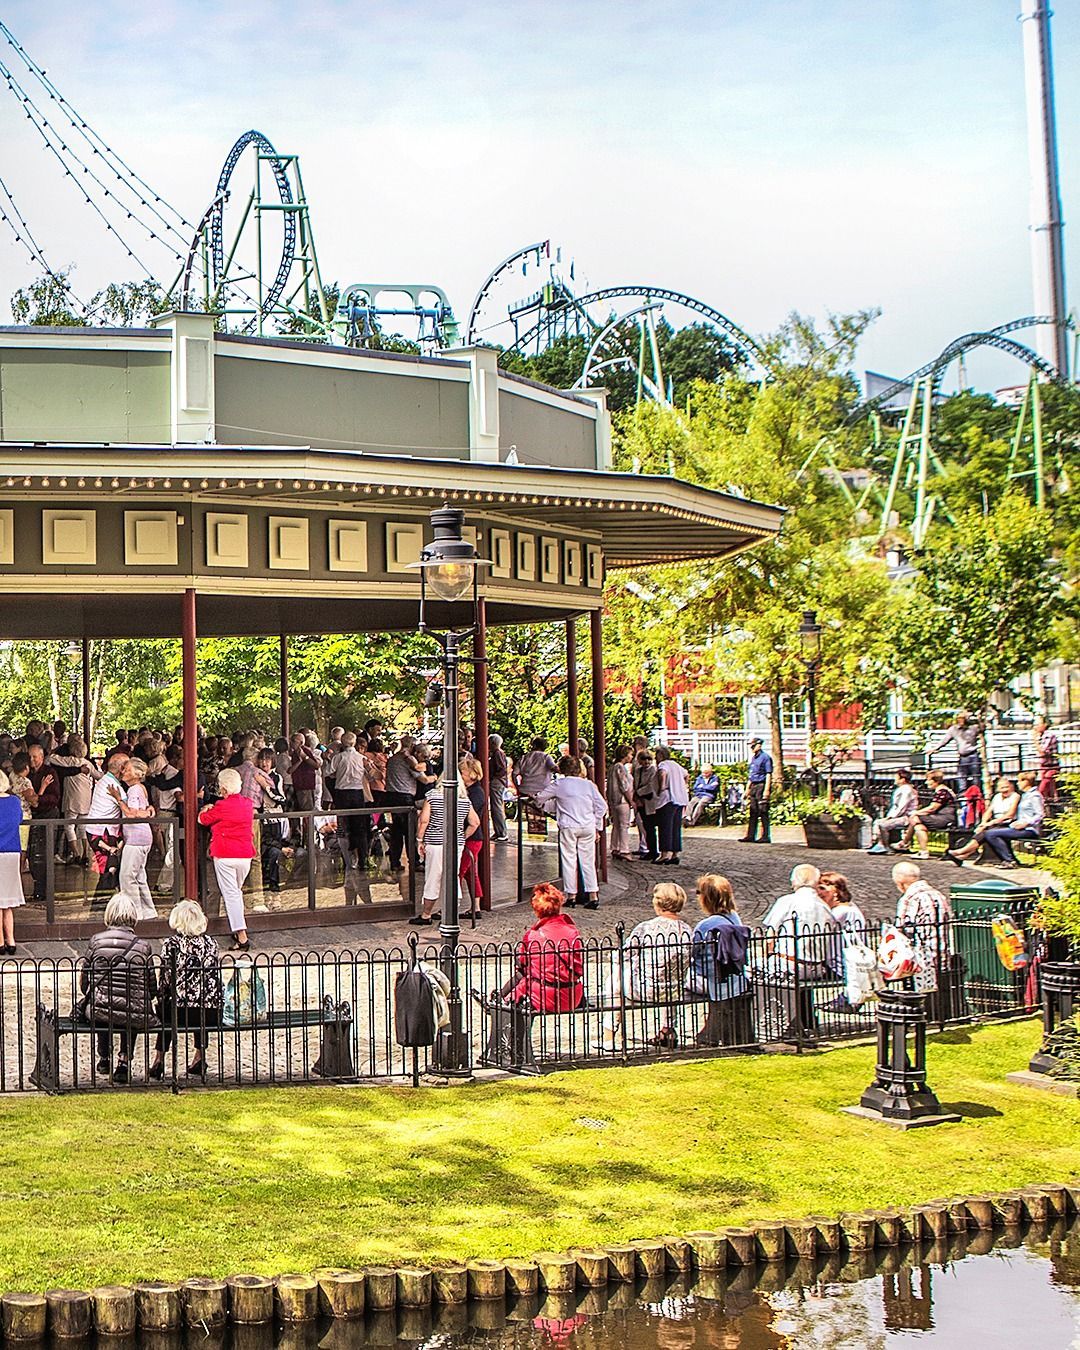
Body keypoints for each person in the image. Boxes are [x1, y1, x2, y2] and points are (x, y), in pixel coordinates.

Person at [601, 882, 693, 1051]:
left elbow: (625, 954)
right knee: (671, 977)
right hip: (673, 990)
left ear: (658, 904)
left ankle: (609, 1034)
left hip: (646, 989)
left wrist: (613, 956)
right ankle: (668, 1030)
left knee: (615, 977)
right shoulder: (687, 930)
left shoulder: (646, 928)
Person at [80, 893, 158, 1084]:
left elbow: (85, 980)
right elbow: (151, 986)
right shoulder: (143, 946)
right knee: (130, 1009)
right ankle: (123, 1060)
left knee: (103, 1004)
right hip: (134, 1012)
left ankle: (104, 1057)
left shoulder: (96, 941)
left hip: (100, 1009)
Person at [148, 900, 223, 1081]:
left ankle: (159, 1059)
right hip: (210, 1012)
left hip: (178, 1012)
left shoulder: (171, 944)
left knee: (168, 1008)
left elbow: (164, 981)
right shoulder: (211, 944)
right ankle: (199, 1055)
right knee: (203, 999)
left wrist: (160, 996)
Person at [761, 864, 837, 1041]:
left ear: (795, 881)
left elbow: (770, 936)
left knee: (752, 971)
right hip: (816, 968)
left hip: (790, 964)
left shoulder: (788, 901)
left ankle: (776, 1023)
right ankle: (806, 1020)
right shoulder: (824, 907)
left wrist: (766, 957)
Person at [685, 874, 752, 1047]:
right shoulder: (735, 918)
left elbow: (692, 953)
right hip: (733, 978)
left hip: (708, 979)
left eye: (699, 893)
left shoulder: (706, 925)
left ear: (706, 898)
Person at [536, 756, 608, 909]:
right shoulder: (588, 785)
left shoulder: (559, 784)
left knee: (569, 860)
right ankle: (593, 894)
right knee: (588, 861)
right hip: (587, 825)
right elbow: (602, 806)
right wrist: (597, 825)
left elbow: (540, 798)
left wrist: (552, 805)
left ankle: (571, 896)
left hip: (569, 825)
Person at [409, 773, 479, 926]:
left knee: (433, 877)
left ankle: (426, 914)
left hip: (435, 843)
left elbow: (424, 820)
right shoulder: (464, 799)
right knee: (452, 878)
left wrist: (419, 840)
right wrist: (461, 836)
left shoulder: (433, 796)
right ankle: (451, 915)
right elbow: (474, 822)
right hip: (457, 844)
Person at [503, 882, 584, 1013]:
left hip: (544, 997)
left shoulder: (532, 936)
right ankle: (503, 998)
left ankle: (502, 999)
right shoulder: (572, 932)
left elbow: (523, 965)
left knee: (523, 976)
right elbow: (578, 968)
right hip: (572, 996)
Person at [198, 767, 255, 951]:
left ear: (223, 789)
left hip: (224, 854)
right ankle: (238, 929)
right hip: (245, 855)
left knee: (231, 895)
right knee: (235, 892)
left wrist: (206, 808)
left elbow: (203, 820)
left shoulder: (221, 807)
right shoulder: (248, 804)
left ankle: (242, 935)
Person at [109, 758, 157, 920]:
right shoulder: (141, 788)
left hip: (136, 838)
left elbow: (131, 813)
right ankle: (148, 910)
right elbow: (147, 809)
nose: (123, 772)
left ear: (137, 774)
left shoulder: (134, 790)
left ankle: (134, 912)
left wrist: (118, 798)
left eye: (127, 770)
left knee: (127, 876)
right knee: (139, 876)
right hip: (143, 837)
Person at [893, 860, 951, 991]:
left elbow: (901, 930)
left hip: (921, 960)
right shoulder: (938, 895)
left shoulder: (909, 898)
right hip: (942, 957)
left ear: (900, 882)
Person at [384, 735, 433, 871]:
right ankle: (415, 862)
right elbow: (422, 779)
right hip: (405, 797)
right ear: (412, 747)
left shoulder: (392, 759)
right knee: (409, 832)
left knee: (397, 832)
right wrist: (433, 777)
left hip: (391, 797)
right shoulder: (409, 760)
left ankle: (395, 862)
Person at [946, 777, 1019, 865]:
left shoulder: (1015, 796)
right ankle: (962, 855)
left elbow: (1010, 814)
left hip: (1008, 823)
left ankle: (962, 852)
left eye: (1006, 787)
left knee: (985, 833)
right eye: (1002, 788)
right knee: (983, 831)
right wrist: (983, 823)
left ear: (1011, 787)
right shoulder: (997, 797)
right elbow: (989, 811)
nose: (1004, 790)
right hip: (996, 822)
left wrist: (990, 823)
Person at [981, 770, 1045, 868]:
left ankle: (1009, 860)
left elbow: (1040, 814)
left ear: (1026, 782)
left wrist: (1026, 823)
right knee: (997, 832)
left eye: (1019, 781)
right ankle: (1011, 860)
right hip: (1019, 826)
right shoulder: (1025, 795)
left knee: (991, 834)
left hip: (1030, 830)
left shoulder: (1034, 796)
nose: (1018, 784)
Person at [87, 751, 129, 896]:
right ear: (122, 768)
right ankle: (100, 906)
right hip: (103, 832)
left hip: (98, 831)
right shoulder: (113, 785)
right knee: (108, 870)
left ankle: (103, 904)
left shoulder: (106, 780)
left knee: (109, 869)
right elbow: (129, 807)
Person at [894, 769, 957, 859]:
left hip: (945, 818)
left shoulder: (942, 792)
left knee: (914, 817)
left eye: (928, 780)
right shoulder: (941, 791)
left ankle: (904, 842)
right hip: (940, 817)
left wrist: (917, 812)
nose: (926, 782)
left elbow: (932, 808)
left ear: (935, 781)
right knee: (918, 826)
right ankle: (923, 851)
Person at [26, 742, 60, 903]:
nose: (32, 760)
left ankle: (44, 890)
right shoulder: (27, 774)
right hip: (33, 818)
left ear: (41, 757)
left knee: (45, 856)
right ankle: (38, 889)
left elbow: (54, 798)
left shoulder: (50, 772)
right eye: (29, 757)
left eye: (35, 757)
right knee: (33, 857)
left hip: (47, 816)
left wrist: (38, 799)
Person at [0, 770, 25, 955]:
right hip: (12, 852)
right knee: (7, 902)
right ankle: (11, 940)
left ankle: (0, 941)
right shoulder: (15, 802)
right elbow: (19, 819)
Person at [866, 768, 919, 854]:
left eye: (896, 777)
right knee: (878, 822)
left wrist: (891, 817)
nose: (895, 779)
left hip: (906, 817)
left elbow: (902, 806)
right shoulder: (902, 789)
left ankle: (886, 847)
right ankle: (880, 844)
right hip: (901, 816)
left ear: (902, 779)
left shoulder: (906, 790)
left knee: (883, 825)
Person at [459, 754, 487, 912]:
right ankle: (475, 907)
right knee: (470, 873)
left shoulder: (475, 793)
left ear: (472, 774)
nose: (460, 775)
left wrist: (462, 837)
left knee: (459, 871)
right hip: (472, 837)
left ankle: (450, 908)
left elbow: (471, 818)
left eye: (462, 772)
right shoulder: (472, 791)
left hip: (471, 837)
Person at [515, 737, 558, 837]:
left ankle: (532, 835)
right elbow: (554, 767)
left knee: (530, 815)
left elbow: (515, 773)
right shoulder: (546, 757)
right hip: (542, 790)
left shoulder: (524, 757)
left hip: (525, 790)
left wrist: (518, 786)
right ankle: (540, 836)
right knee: (541, 813)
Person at [654, 747, 689, 865]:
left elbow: (662, 773)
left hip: (667, 798)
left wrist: (661, 786)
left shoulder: (663, 764)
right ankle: (675, 853)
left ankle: (664, 854)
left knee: (665, 826)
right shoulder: (676, 764)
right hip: (679, 798)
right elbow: (686, 774)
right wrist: (683, 786)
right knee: (675, 827)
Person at [931, 711, 982, 788]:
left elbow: (982, 728)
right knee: (961, 779)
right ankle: (962, 797)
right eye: (959, 718)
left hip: (973, 755)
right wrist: (935, 748)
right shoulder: (954, 729)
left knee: (976, 779)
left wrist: (978, 719)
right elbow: (945, 740)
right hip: (962, 757)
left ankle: (976, 796)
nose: (961, 720)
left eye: (963, 718)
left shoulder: (973, 728)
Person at [739, 737, 773, 844]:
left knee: (763, 811)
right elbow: (751, 775)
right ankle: (750, 835)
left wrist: (766, 790)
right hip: (754, 785)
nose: (751, 748)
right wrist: (747, 789)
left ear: (759, 745)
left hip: (761, 786)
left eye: (753, 746)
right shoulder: (754, 758)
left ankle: (765, 836)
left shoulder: (765, 758)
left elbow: (768, 774)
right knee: (753, 812)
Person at [606, 745, 635, 859]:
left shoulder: (612, 767)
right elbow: (624, 786)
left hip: (613, 800)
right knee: (624, 825)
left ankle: (615, 847)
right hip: (622, 800)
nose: (631, 756)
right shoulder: (620, 767)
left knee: (616, 825)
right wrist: (631, 800)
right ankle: (624, 849)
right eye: (630, 754)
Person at [633, 749, 660, 861]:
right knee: (645, 827)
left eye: (649, 759)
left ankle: (654, 851)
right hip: (640, 802)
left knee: (650, 827)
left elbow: (651, 786)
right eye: (644, 759)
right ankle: (650, 849)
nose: (646, 762)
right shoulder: (638, 770)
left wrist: (638, 792)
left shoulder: (653, 770)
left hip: (649, 801)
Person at [487, 734, 510, 842]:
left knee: (496, 807)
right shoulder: (498, 753)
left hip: (496, 782)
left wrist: (493, 778)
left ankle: (501, 832)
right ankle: (499, 831)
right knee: (495, 806)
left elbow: (501, 769)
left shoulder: (497, 754)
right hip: (497, 781)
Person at [1034, 716, 1059, 802]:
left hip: (1051, 765)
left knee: (1044, 784)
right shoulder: (1041, 735)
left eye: (1038, 724)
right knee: (1049, 788)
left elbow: (1043, 751)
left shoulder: (1048, 735)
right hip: (1044, 765)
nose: (1035, 726)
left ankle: (1037, 799)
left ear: (1045, 725)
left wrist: (1035, 741)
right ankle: (1048, 804)